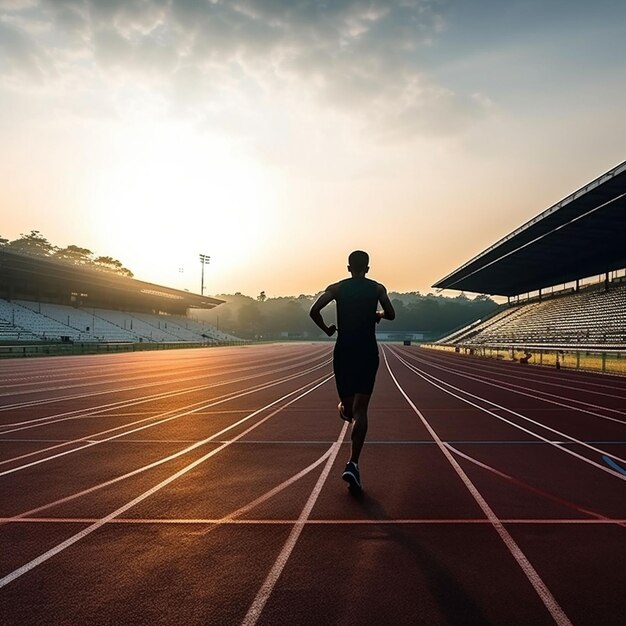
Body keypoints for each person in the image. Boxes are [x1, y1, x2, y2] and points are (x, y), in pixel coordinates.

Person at [309, 250, 395, 492]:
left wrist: (327, 330)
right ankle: (353, 463)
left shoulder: (336, 288)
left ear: (348, 267)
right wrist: (376, 314)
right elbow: (391, 314)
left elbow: (313, 311)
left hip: (344, 351)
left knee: (348, 409)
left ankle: (353, 464)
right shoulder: (377, 289)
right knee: (359, 411)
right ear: (367, 268)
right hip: (367, 351)